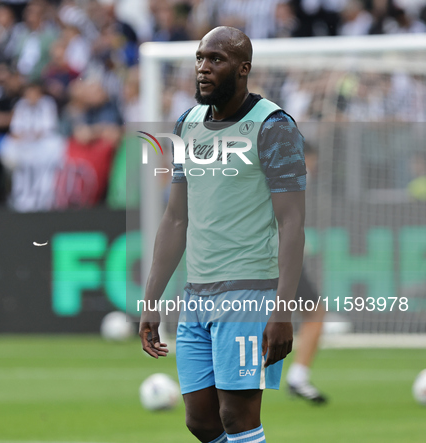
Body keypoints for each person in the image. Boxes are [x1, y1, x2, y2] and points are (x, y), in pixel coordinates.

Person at [139, 27, 306, 443]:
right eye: (200, 58)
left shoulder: (273, 125)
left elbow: (293, 223)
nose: (203, 68)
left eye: (216, 59)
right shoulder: (188, 123)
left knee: (238, 416)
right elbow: (175, 218)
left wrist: (283, 310)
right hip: (196, 293)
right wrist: (151, 300)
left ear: (243, 68)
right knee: (201, 420)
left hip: (250, 291)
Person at [286, 143, 328, 405]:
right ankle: (298, 377)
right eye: (311, 161)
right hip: (277, 255)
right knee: (314, 312)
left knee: (314, 311)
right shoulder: (293, 176)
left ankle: (298, 376)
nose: (313, 168)